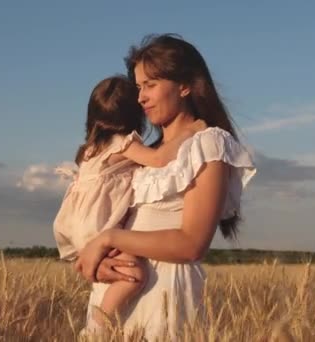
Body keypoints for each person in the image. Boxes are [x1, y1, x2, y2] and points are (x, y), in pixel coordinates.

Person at [75, 34, 257, 340]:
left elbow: (191, 244)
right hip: (117, 294)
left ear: (184, 85)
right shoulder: (144, 154)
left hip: (164, 293)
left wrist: (109, 238)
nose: (140, 97)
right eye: (138, 87)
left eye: (150, 85)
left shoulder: (208, 144)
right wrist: (97, 262)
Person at [53, 75, 206, 332]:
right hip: (99, 224)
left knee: (114, 272)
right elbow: (158, 159)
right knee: (134, 275)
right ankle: (97, 328)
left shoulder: (89, 149)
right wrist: (190, 132)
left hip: (76, 223)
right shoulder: (122, 143)